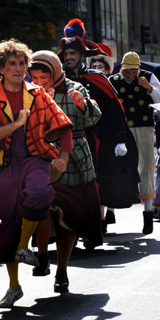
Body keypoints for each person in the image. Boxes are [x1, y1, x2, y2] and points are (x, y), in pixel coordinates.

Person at [0, 39, 73, 308]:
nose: (18, 68)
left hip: (35, 157)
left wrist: (63, 157)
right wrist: (17, 123)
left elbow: (63, 125)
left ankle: (24, 246)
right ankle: (14, 287)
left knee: (39, 192)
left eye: (21, 63)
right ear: (0, 69)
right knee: (8, 225)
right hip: (3, 163)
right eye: (12, 64)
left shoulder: (38, 93)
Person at [27, 50, 102, 292]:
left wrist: (83, 106)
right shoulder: (27, 93)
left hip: (73, 160)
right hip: (39, 156)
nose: (39, 81)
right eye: (34, 76)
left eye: (44, 76)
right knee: (41, 209)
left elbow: (94, 118)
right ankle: (42, 256)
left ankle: (62, 270)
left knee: (68, 217)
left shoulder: (75, 88)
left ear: (55, 71)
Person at [59, 18, 139, 237]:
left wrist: (120, 139)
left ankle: (96, 227)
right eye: (66, 55)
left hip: (97, 140)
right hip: (65, 140)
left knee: (95, 183)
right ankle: (70, 230)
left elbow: (114, 112)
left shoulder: (97, 79)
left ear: (82, 55)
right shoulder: (59, 81)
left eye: (72, 54)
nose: (69, 58)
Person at [109, 51, 160, 234]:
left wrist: (149, 88)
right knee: (116, 166)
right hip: (120, 128)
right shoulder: (113, 80)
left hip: (144, 126)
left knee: (146, 167)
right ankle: (109, 210)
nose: (131, 75)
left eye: (134, 71)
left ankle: (148, 214)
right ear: (122, 68)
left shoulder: (149, 77)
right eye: (127, 72)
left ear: (139, 69)